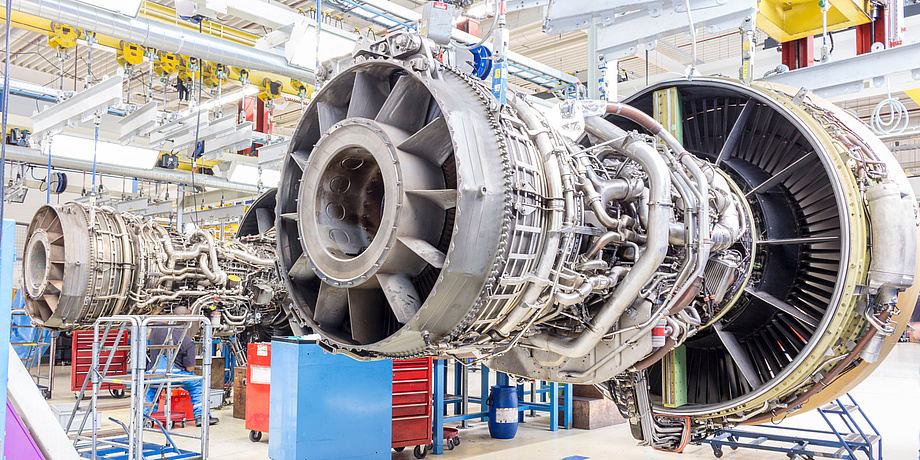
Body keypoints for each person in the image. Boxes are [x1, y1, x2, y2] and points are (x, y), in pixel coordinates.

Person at [144, 306, 218, 426]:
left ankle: (144, 417)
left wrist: (173, 316)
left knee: (150, 389)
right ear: (186, 322)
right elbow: (190, 368)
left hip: (154, 375)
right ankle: (201, 416)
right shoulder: (187, 340)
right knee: (198, 385)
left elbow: (159, 320)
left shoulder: (156, 328)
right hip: (175, 376)